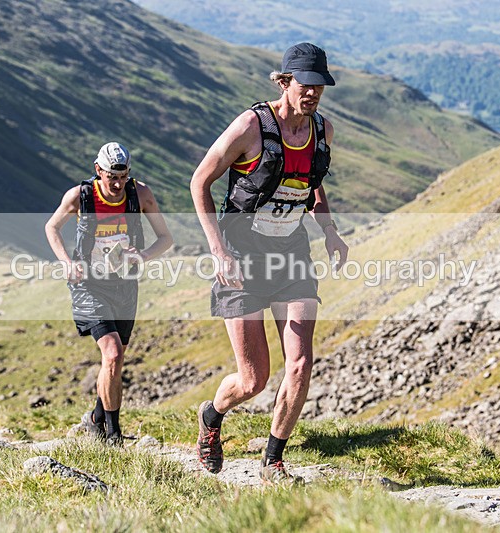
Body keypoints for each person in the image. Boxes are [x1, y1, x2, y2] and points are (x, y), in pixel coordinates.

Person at [190, 43, 348, 483]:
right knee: (253, 379)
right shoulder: (251, 126)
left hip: (292, 255)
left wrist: (330, 231)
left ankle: (273, 460)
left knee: (299, 363)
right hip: (241, 258)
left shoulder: (323, 131)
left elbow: (313, 184)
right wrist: (218, 251)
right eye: (305, 85)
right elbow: (199, 181)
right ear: (284, 82)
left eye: (320, 86)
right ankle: (212, 416)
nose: (313, 93)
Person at [45, 142, 172, 445]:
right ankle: (113, 436)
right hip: (89, 285)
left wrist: (141, 256)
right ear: (97, 170)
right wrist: (66, 263)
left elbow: (165, 239)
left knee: (115, 361)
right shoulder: (80, 196)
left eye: (123, 176)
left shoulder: (140, 194)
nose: (117, 184)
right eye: (111, 177)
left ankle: (94, 418)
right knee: (112, 352)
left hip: (124, 286)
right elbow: (52, 227)